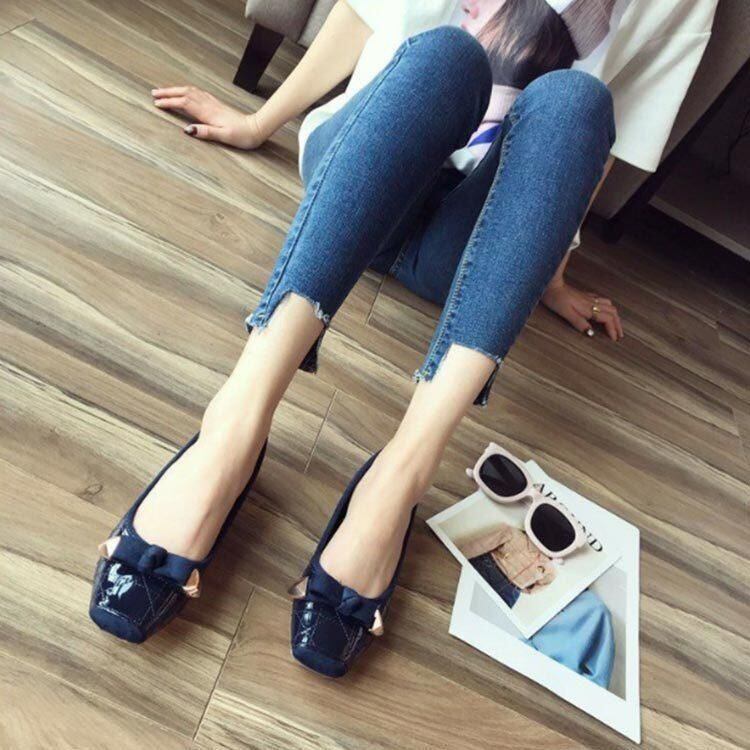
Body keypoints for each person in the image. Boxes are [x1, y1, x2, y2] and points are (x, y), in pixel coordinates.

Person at [89, 0, 716, 677]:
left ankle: (402, 473)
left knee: (579, 101)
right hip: (366, 171)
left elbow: (601, 145)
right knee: (447, 56)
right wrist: (259, 122)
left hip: (472, 243)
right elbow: (363, 12)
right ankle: (235, 423)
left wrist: (551, 277)